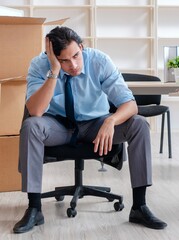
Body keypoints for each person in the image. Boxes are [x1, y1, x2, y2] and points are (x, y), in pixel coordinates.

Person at [13, 26, 167, 234]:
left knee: (139, 124)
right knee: (31, 126)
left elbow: (129, 105)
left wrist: (111, 121)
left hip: (97, 124)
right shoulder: (40, 66)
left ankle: (139, 206)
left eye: (76, 55)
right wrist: (54, 71)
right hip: (59, 126)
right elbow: (36, 110)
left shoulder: (99, 61)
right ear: (53, 57)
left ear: (82, 47)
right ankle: (34, 208)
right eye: (64, 60)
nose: (74, 65)